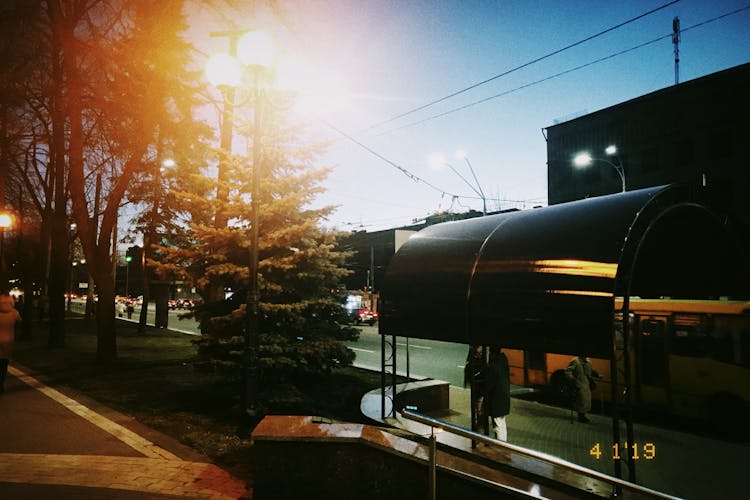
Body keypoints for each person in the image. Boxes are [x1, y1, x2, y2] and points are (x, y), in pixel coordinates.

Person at [565, 355, 600, 423]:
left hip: (586, 383)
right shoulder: (575, 361)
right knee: (582, 400)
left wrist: (597, 375)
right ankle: (581, 417)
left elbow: (591, 370)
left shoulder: (588, 361)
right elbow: (568, 372)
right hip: (579, 383)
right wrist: (573, 380)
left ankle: (583, 416)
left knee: (586, 401)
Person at [486, 346, 511, 440]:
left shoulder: (494, 365)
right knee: (501, 423)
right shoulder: (503, 360)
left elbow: (489, 383)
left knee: (498, 425)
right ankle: (502, 444)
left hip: (497, 400)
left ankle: (501, 445)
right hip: (503, 397)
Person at [0, 293, 22, 393]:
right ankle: (1, 383)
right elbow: (19, 323)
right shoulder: (14, 313)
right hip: (8, 340)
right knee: (4, 363)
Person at [464, 344, 486, 434]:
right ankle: (479, 425)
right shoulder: (475, 358)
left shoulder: (477, 358)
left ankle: (479, 426)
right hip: (477, 388)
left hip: (479, 388)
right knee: (477, 407)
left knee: (478, 407)